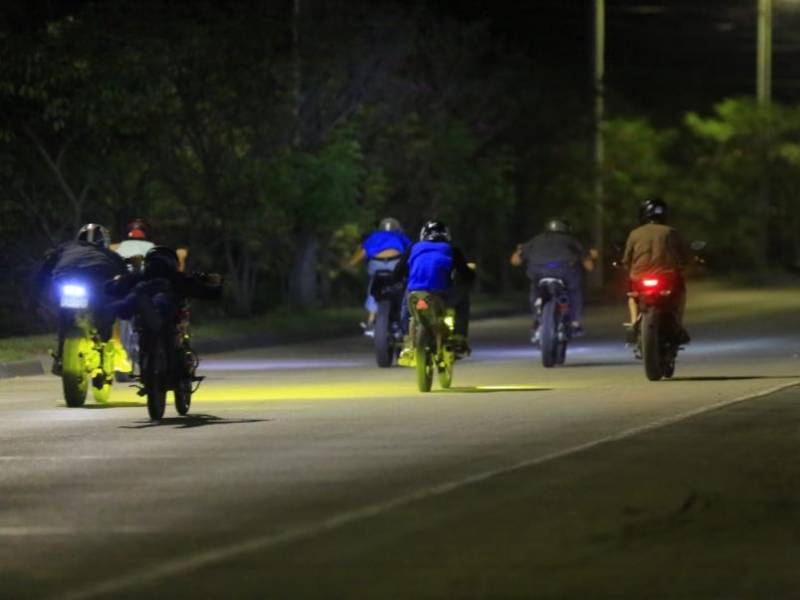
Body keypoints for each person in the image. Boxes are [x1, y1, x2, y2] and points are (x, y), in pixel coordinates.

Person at [36, 223, 128, 374]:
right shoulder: (110, 254)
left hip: (68, 280)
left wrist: (40, 289)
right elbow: (124, 275)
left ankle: (100, 350)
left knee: (102, 311)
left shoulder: (65, 247)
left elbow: (46, 268)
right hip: (91, 283)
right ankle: (67, 354)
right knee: (107, 311)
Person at [392, 219, 475, 357]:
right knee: (463, 298)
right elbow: (465, 274)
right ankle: (459, 337)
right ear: (445, 235)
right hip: (441, 294)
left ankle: (407, 341)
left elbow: (397, 273)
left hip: (415, 293)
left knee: (405, 307)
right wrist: (470, 276)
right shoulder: (452, 249)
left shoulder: (413, 248)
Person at [510, 218, 596, 342]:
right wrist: (589, 257)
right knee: (574, 289)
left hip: (538, 272)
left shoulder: (536, 239)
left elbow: (515, 261)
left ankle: (537, 317)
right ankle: (575, 323)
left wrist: (519, 251)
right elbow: (589, 266)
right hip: (564, 271)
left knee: (534, 287)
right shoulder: (571, 240)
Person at [622, 197, 691, 342]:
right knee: (681, 295)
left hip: (639, 276)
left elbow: (627, 258)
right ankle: (678, 324)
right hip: (667, 276)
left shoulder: (635, 233)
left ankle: (634, 322)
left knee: (633, 297)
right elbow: (684, 255)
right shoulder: (671, 232)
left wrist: (625, 265)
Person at [346, 217, 411, 336]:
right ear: (397, 228)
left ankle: (370, 323)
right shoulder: (400, 236)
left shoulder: (374, 236)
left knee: (373, 286)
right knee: (403, 284)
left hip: (376, 264)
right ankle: (402, 319)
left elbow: (363, 253)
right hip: (395, 263)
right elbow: (410, 251)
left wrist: (350, 264)